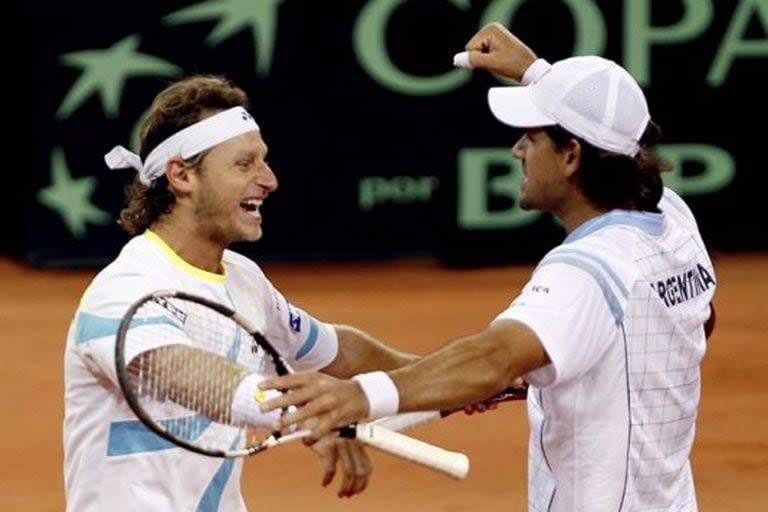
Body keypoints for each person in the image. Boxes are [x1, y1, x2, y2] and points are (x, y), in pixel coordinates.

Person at [259, 23, 717, 511]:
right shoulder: (669, 218)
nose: (517, 150)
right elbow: (700, 320)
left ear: (571, 156)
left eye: (530, 137)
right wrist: (536, 73)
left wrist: (358, 396)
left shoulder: (585, 272)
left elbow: (491, 359)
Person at [63, 75, 418, 511]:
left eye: (263, 161)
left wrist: (439, 377)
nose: (269, 180)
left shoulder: (243, 278)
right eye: (244, 164)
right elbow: (187, 374)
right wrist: (300, 414)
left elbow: (331, 348)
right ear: (181, 175)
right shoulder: (124, 292)